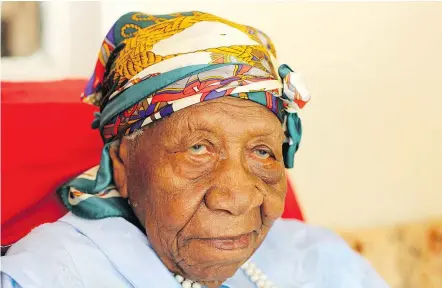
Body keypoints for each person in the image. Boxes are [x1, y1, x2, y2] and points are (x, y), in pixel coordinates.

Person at [0, 11, 388, 288]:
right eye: (198, 148)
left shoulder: (324, 260)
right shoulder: (48, 274)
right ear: (122, 164)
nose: (236, 198)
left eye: (262, 152)